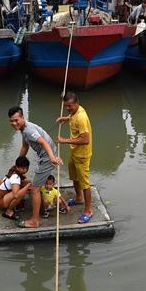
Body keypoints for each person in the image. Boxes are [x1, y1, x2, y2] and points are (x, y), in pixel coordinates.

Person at [8, 106, 63, 228]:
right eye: (11, 121)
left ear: (22, 117)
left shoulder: (28, 130)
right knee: (36, 187)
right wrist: (17, 165)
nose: (14, 123)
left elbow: (43, 142)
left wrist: (52, 158)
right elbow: (25, 147)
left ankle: (34, 221)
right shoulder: (23, 129)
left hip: (48, 159)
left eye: (16, 120)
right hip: (46, 157)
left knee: (34, 189)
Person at [56, 91, 93, 223]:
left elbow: (85, 139)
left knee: (85, 183)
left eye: (70, 106)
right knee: (74, 177)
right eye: (66, 106)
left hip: (82, 155)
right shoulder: (75, 112)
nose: (68, 108)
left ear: (76, 103)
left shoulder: (81, 118)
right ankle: (79, 198)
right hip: (74, 153)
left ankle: (88, 210)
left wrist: (64, 140)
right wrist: (66, 118)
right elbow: (73, 116)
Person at [0, 156, 32, 221]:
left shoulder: (13, 171)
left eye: (26, 168)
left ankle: (17, 204)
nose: (25, 170)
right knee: (19, 194)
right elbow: (16, 195)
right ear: (17, 167)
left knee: (25, 184)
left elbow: (0, 183)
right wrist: (28, 186)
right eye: (23, 168)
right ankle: (8, 212)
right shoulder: (15, 177)